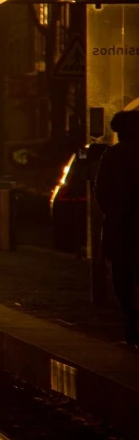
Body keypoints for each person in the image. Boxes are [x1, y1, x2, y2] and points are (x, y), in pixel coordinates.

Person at [94, 110, 139, 347]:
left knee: (122, 274)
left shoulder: (112, 156)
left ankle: (130, 317)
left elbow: (101, 191)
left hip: (119, 225)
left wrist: (113, 212)